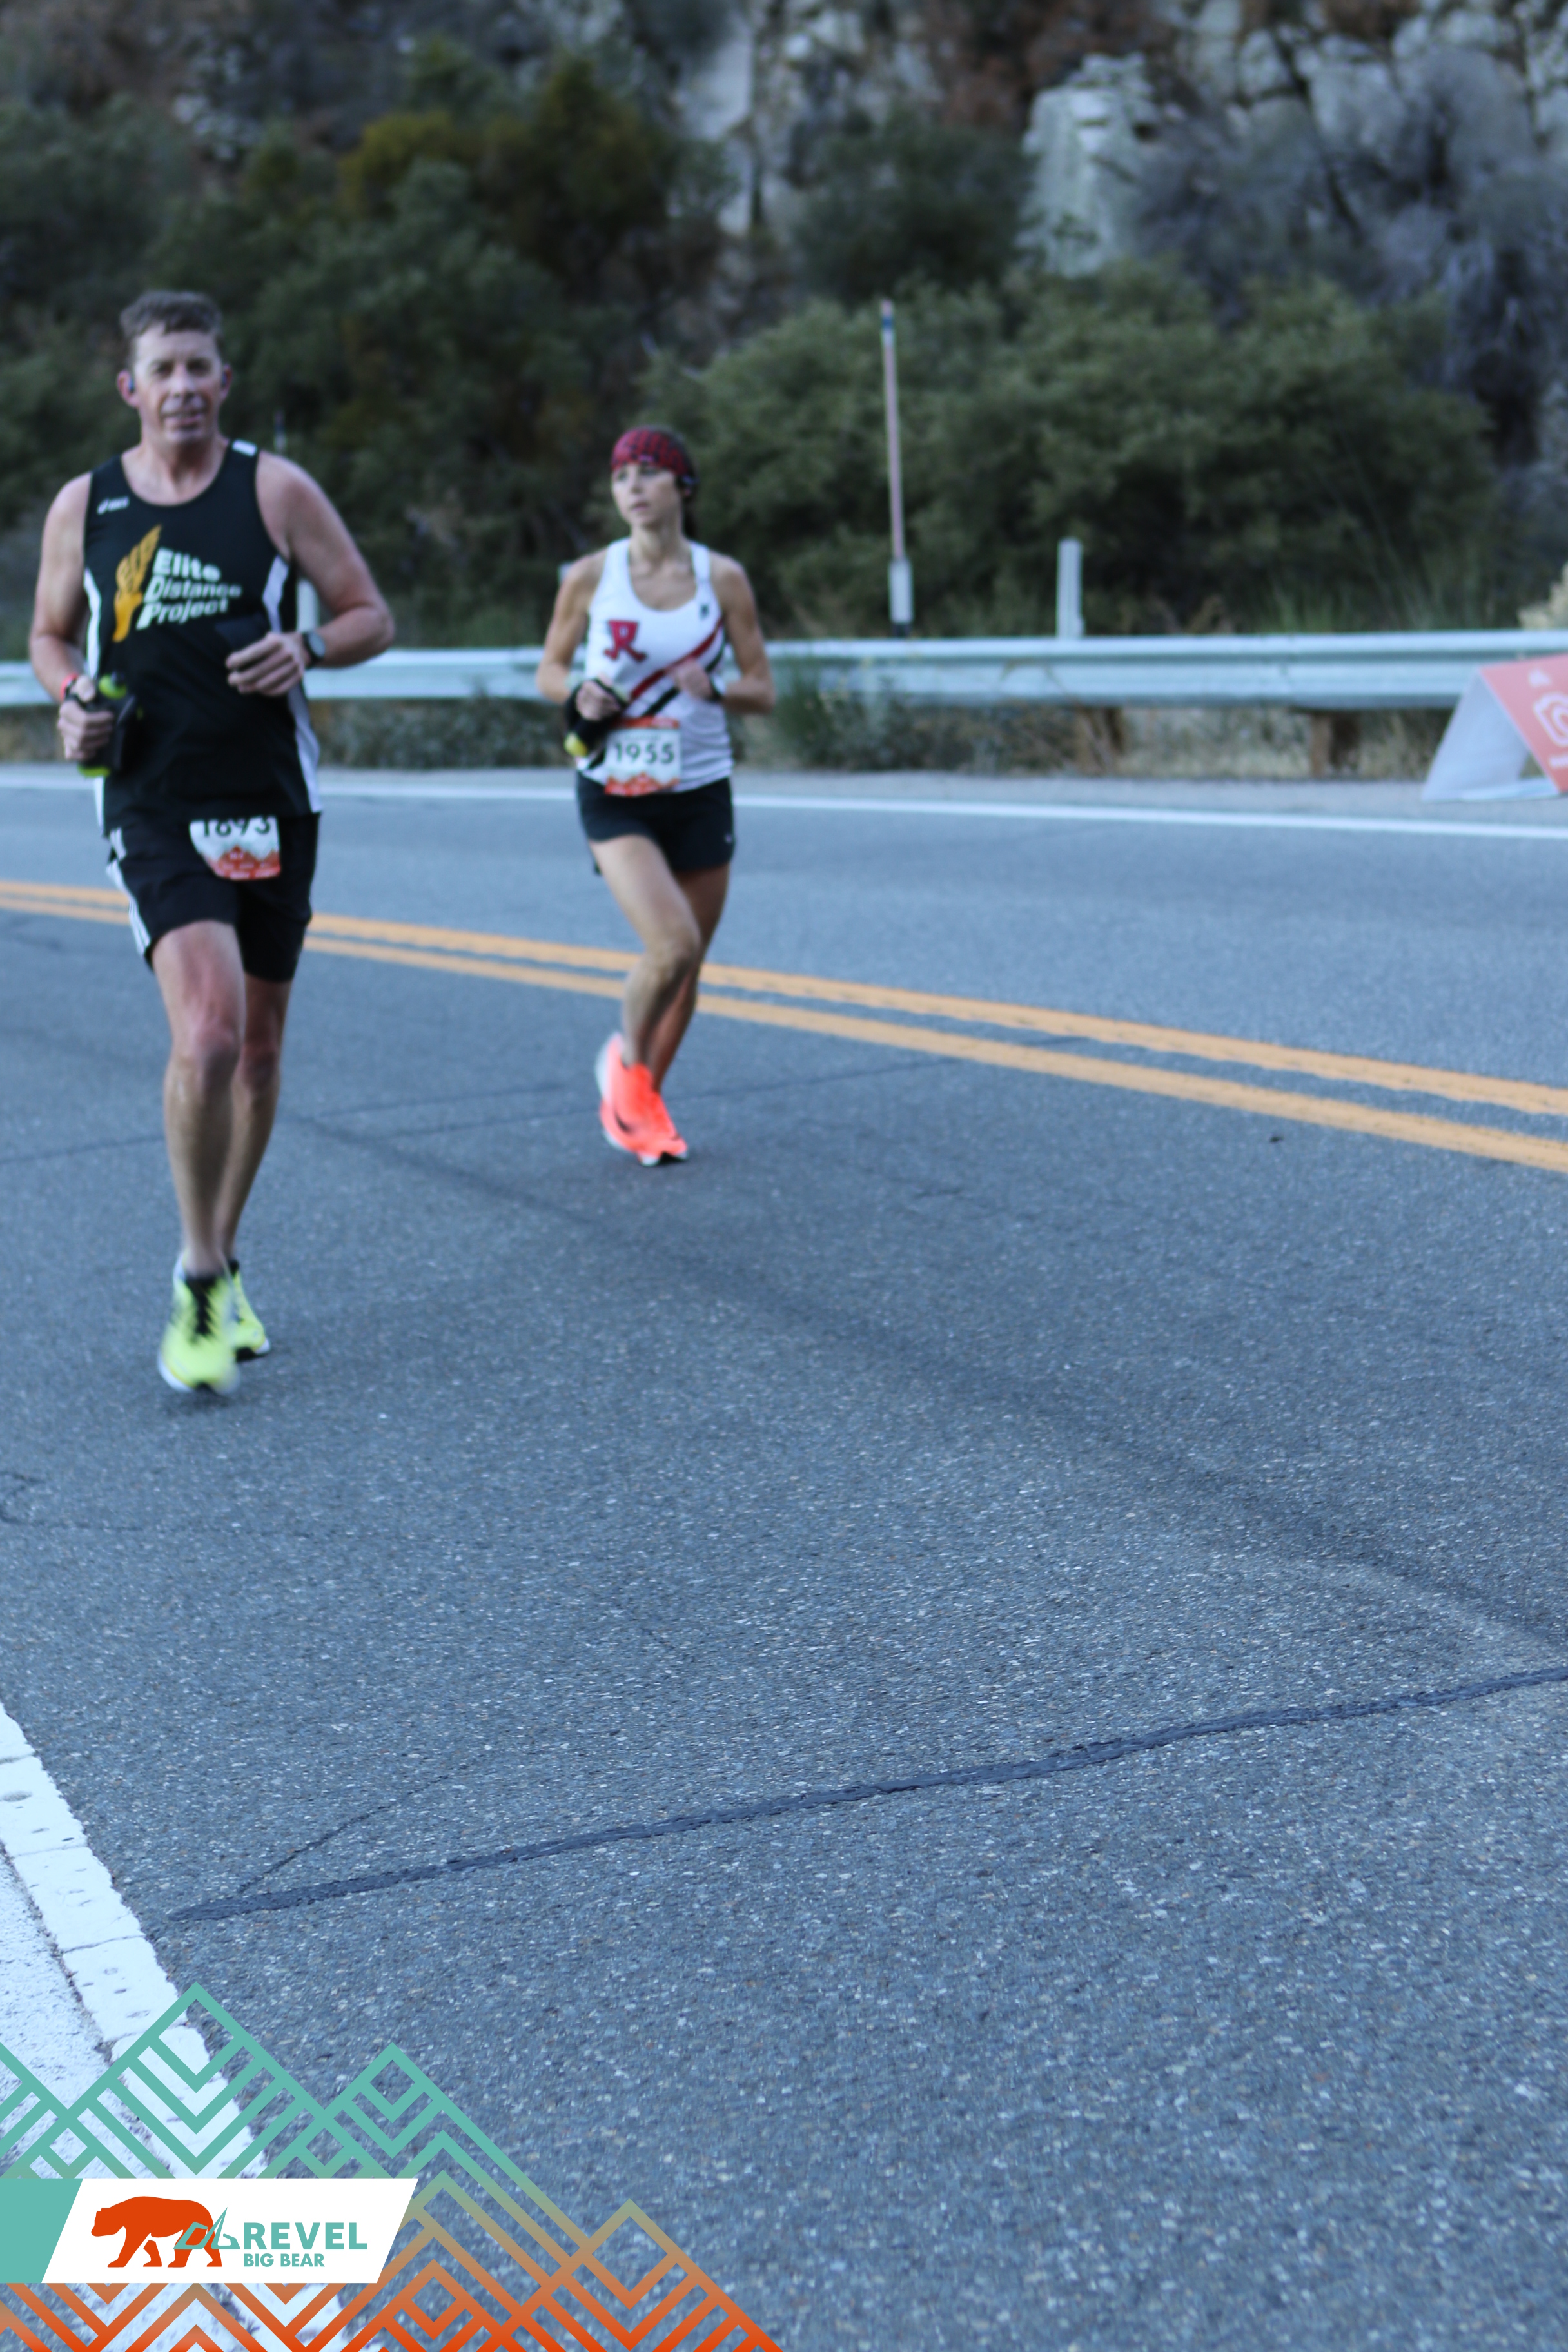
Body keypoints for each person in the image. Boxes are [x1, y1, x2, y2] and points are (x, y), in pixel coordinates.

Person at [29, 289, 394, 1395]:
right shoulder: (87, 504)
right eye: (164, 369)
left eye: (200, 367)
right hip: (151, 796)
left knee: (262, 1051)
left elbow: (369, 614)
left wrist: (308, 650)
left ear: (224, 383)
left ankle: (225, 1258)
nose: (183, 385)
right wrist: (72, 699)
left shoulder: (273, 490)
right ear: (130, 388)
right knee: (210, 1034)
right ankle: (195, 1277)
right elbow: (50, 636)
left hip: (271, 797)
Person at [537, 426, 774, 1164]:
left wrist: (717, 689)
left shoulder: (721, 579)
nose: (632, 488)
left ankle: (640, 1102)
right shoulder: (591, 575)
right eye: (620, 477)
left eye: (647, 473)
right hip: (615, 787)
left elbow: (763, 689)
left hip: (699, 786)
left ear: (682, 486)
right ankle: (625, 1067)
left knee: (688, 968)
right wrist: (579, 690)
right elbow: (548, 670)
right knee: (671, 946)